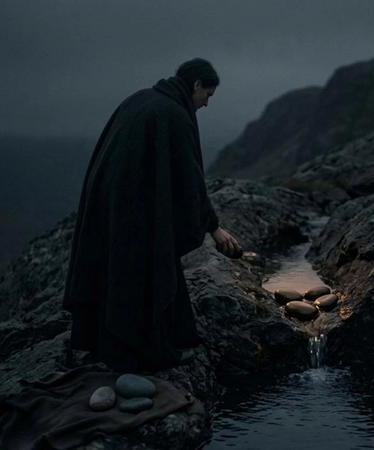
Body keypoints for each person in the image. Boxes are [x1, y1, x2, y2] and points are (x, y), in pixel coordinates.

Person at [62, 58, 242, 372]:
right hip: (138, 211)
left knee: (114, 270)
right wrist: (212, 227)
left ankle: (104, 343)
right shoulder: (174, 115)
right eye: (207, 96)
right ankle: (143, 351)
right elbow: (190, 179)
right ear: (196, 84)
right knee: (147, 274)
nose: (206, 104)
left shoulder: (141, 99)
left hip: (108, 201)